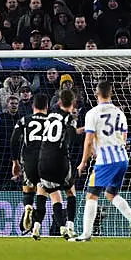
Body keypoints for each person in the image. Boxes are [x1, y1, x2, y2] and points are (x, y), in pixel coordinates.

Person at [72, 81, 131, 242]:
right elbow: (124, 137)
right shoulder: (119, 112)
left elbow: (88, 141)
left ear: (96, 94)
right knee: (111, 194)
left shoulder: (92, 113)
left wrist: (83, 162)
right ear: (111, 94)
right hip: (122, 158)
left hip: (106, 161)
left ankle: (86, 235)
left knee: (92, 195)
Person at [33, 89, 79, 240]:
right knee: (70, 192)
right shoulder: (69, 118)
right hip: (60, 161)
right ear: (72, 103)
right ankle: (70, 227)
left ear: (59, 102)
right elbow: (73, 139)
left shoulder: (51, 114)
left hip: (43, 159)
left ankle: (40, 227)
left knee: (50, 193)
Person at [10, 93, 49, 233]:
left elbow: (14, 141)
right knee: (42, 193)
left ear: (33, 106)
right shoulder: (52, 121)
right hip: (47, 160)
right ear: (47, 106)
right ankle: (35, 225)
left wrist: (15, 162)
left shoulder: (24, 120)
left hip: (29, 160)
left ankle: (27, 207)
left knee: (28, 190)